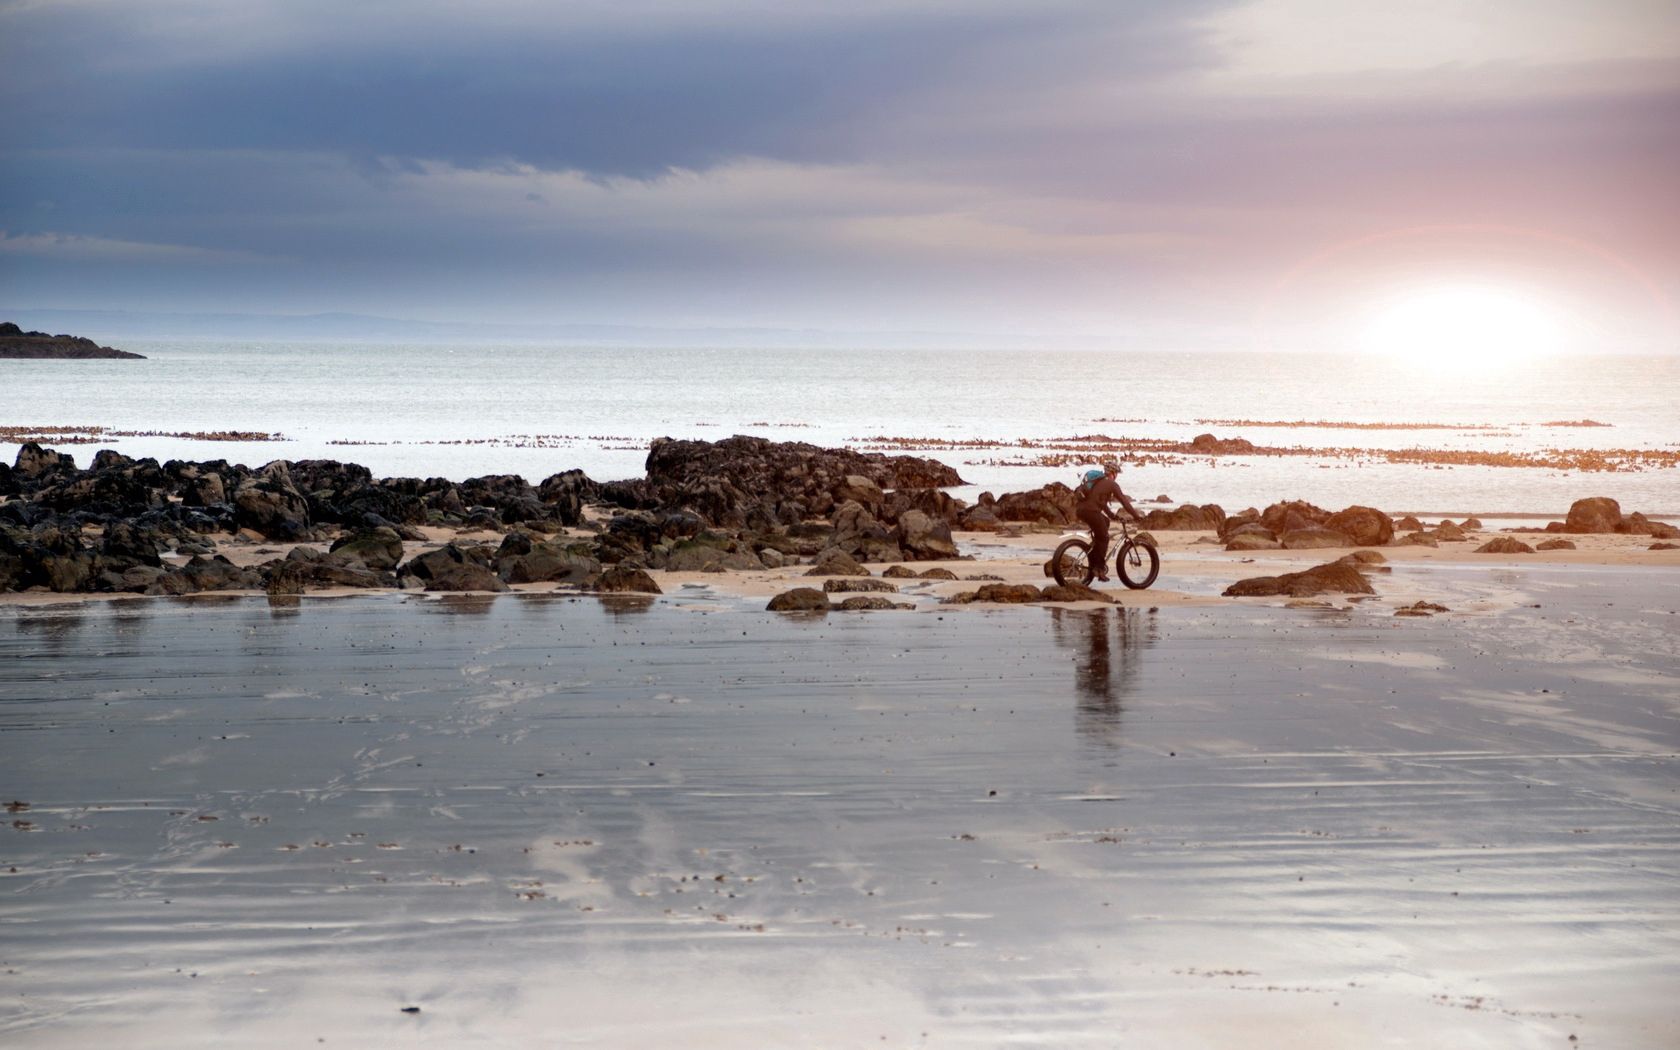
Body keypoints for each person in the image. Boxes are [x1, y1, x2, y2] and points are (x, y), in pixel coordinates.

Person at [1075, 460, 1140, 582]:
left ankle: (1094, 551)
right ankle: (1098, 569)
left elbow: (1101, 503)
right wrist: (1136, 516)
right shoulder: (1111, 484)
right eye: (1116, 473)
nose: (1117, 476)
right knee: (1104, 538)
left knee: (1105, 522)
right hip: (1091, 512)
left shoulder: (1098, 482)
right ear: (1113, 473)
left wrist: (1112, 515)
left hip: (1080, 510)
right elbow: (1124, 502)